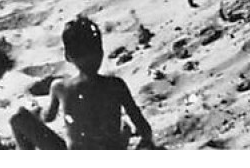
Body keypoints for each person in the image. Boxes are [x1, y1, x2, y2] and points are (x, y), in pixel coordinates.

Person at [10, 15, 155, 150]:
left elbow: (48, 117)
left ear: (68, 57)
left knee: (18, 118)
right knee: (124, 129)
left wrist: (38, 113)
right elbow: (144, 129)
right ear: (101, 52)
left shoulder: (60, 87)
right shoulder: (116, 85)